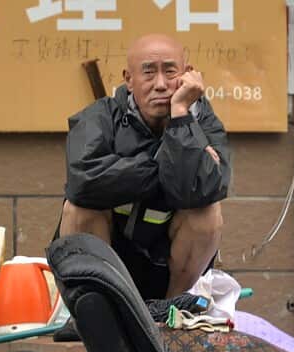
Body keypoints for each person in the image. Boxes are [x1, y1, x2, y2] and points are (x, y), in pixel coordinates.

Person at [59, 34, 231, 308]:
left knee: (207, 213)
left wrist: (180, 114)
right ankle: (101, 309)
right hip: (108, 265)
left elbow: (201, 191)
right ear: (129, 79)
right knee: (78, 209)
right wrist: (167, 162)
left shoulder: (203, 120)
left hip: (169, 271)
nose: (161, 84)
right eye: (148, 72)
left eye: (170, 71)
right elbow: (83, 182)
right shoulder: (101, 116)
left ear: (187, 75)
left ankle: (171, 310)